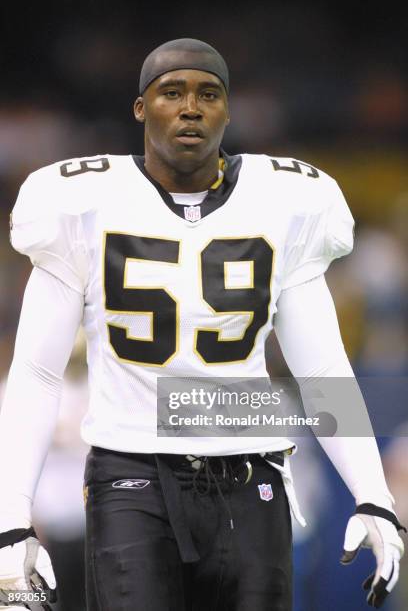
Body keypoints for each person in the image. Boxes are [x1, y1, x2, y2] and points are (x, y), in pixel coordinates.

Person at [0, 38, 405, 611]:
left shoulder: (285, 201)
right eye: (172, 92)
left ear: (227, 111)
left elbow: (321, 370)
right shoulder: (81, 203)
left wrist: (374, 495)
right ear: (141, 108)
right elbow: (38, 373)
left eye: (208, 94)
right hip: (130, 471)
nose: (191, 107)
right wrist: (11, 518)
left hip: (250, 473)